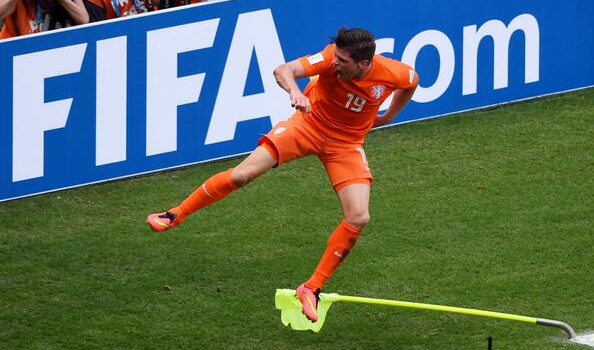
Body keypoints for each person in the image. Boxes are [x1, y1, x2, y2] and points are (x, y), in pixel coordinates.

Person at [147, 27, 419, 322]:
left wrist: (389, 116)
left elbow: (411, 82)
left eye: (343, 59)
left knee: (359, 217)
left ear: (364, 63)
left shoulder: (392, 73)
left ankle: (311, 288)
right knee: (242, 175)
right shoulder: (328, 60)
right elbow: (283, 69)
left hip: (346, 144)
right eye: (336, 56)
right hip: (307, 126)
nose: (336, 62)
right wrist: (294, 92)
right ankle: (175, 214)